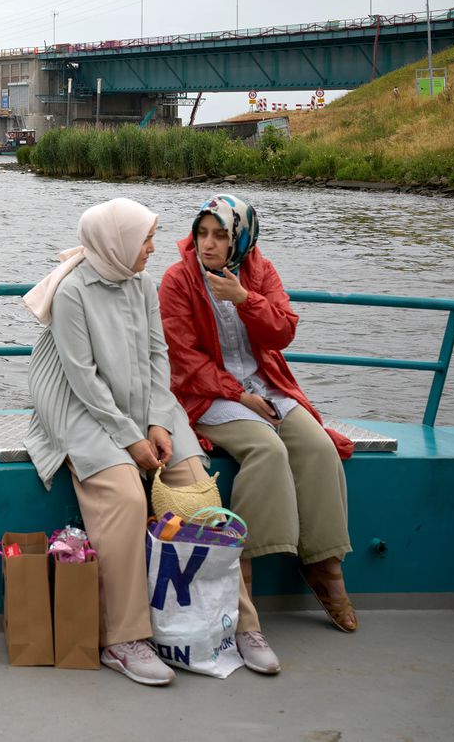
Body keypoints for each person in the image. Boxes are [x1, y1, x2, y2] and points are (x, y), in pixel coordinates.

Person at [22, 198, 279, 686]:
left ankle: (239, 622)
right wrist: (129, 440)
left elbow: (159, 357)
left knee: (198, 490)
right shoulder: (74, 292)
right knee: (122, 495)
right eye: (144, 240)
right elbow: (82, 379)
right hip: (83, 411)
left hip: (147, 405)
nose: (152, 249)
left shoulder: (141, 283)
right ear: (115, 243)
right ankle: (124, 638)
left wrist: (160, 423)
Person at [158, 194, 356, 633]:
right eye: (202, 233)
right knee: (267, 449)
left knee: (318, 446)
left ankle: (324, 563)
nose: (207, 244)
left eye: (220, 235)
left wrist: (245, 298)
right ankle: (241, 569)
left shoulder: (259, 271)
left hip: (266, 386)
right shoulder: (178, 280)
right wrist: (238, 395)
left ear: (240, 240)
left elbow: (283, 330)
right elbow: (183, 359)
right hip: (207, 394)